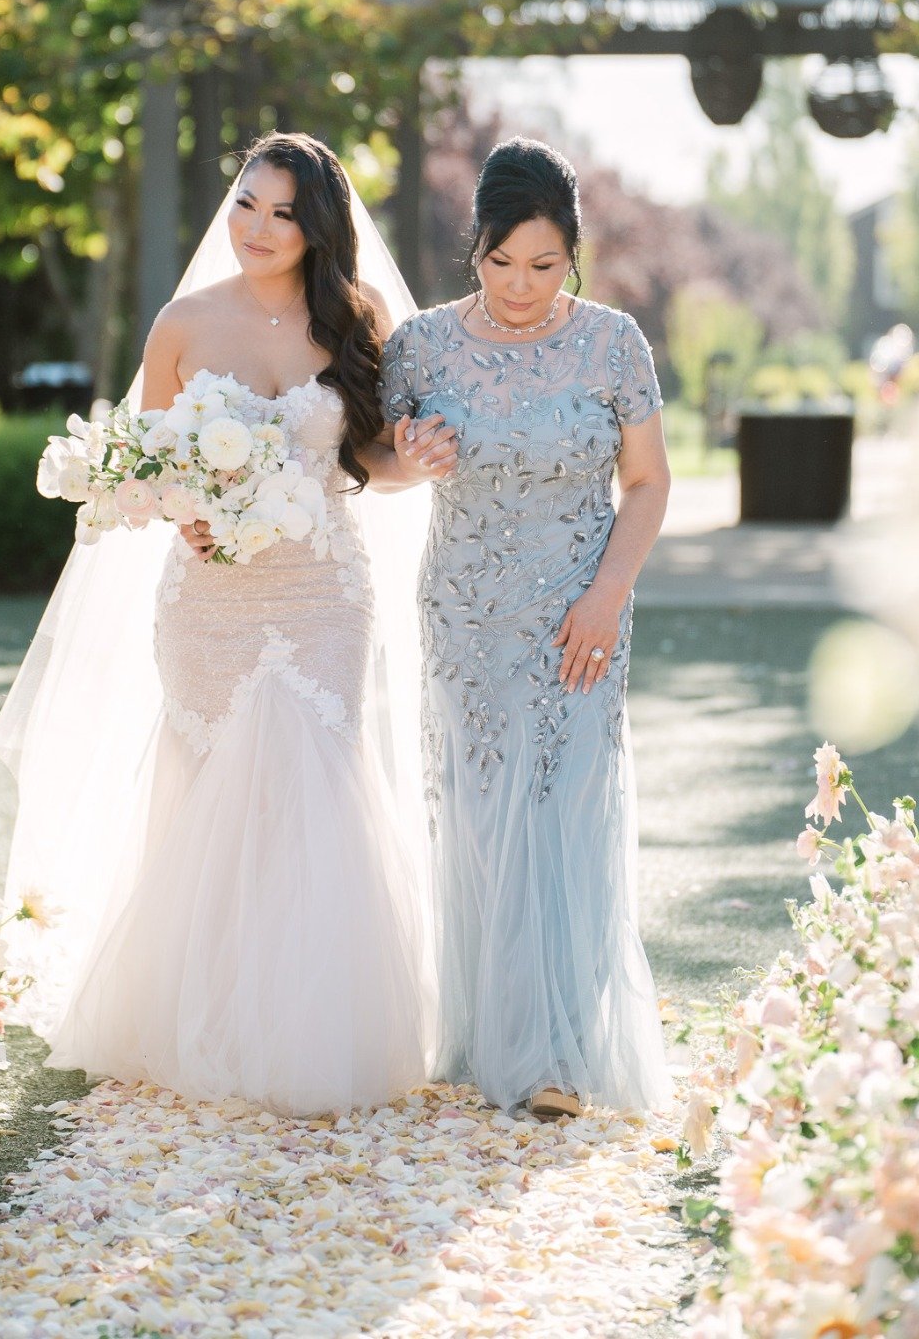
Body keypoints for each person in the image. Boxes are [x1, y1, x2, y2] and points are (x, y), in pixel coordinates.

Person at [0, 133, 441, 1117]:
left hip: (323, 593)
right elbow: (143, 471)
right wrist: (184, 507)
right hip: (208, 599)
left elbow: (372, 459)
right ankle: (208, 1013)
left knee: (311, 784)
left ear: (319, 228)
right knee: (212, 790)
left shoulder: (352, 322)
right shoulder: (181, 324)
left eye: (284, 213)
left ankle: (313, 1025)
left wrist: (420, 453)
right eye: (247, 203)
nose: (259, 228)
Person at [379, 137, 673, 1119]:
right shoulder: (419, 347)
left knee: (567, 810)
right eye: (502, 262)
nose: (520, 285)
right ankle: (492, 1035)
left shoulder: (613, 344)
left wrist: (608, 594)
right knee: (480, 813)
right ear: (476, 249)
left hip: (581, 617)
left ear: (574, 254)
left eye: (544, 265)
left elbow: (647, 482)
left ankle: (559, 1050)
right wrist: (407, 452)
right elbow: (374, 462)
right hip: (465, 617)